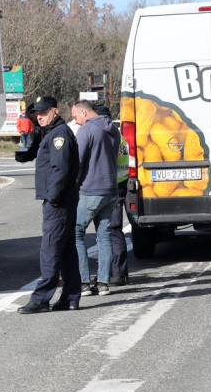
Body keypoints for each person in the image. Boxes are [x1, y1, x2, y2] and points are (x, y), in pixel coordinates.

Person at [16, 96, 82, 313]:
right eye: (37, 114)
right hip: (63, 200)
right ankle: (71, 297)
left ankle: (41, 299)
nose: (39, 117)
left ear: (55, 111)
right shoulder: (52, 132)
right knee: (66, 250)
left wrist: (52, 197)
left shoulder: (59, 135)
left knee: (50, 249)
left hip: (58, 202)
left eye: (43, 113)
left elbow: (60, 170)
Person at [70, 100, 120, 296]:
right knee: (104, 237)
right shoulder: (113, 129)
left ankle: (83, 282)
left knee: (76, 232)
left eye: (75, 117)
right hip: (111, 189)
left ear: (84, 112)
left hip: (91, 189)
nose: (76, 122)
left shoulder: (87, 130)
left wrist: (73, 185)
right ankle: (103, 283)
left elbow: (78, 161)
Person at [96, 104, 131, 286]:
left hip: (111, 186)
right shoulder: (120, 136)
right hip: (120, 183)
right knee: (112, 230)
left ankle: (117, 273)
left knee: (111, 230)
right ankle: (117, 272)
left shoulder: (109, 137)